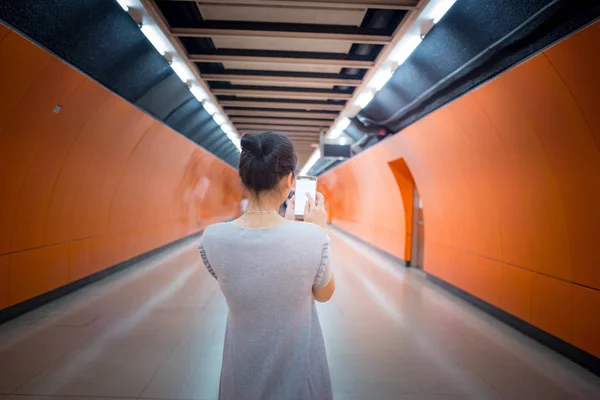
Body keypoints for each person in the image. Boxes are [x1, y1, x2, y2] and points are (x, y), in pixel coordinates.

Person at [199, 132, 335, 400]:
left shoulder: (213, 238)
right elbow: (324, 293)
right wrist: (317, 230)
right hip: (300, 381)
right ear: (289, 180)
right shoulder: (313, 237)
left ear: (244, 179)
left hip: (240, 378)